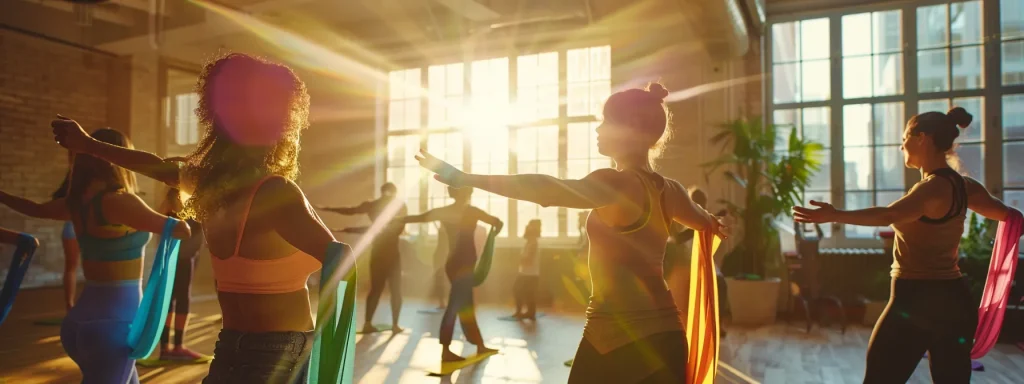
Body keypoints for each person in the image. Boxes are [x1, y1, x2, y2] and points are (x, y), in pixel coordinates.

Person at [51, 53, 351, 383]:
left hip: (244, 346)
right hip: (274, 349)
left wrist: (87, 144)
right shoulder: (274, 192)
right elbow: (341, 259)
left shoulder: (209, 185)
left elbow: (154, 165)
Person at [415, 83, 728, 383]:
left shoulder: (618, 183)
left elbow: (547, 188)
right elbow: (706, 222)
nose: (597, 129)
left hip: (618, 340)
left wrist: (465, 177)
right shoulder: (670, 190)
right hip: (668, 337)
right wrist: (714, 223)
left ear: (631, 127)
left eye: (606, 121)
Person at [794, 107, 1019, 383]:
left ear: (922, 138)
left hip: (915, 301)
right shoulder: (964, 186)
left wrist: (834, 215)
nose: (901, 146)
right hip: (955, 301)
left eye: (904, 139)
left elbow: (888, 215)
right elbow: (1010, 216)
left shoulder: (930, 189)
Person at [1, 128, 191, 384]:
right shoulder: (120, 201)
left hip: (79, 323)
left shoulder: (77, 203)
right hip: (113, 328)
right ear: (117, 158)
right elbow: (182, 229)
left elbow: (35, 209)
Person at [401, 186, 503, 362]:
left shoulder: (444, 212)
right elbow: (497, 222)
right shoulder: (472, 211)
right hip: (464, 266)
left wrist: (396, 219)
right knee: (455, 306)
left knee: (466, 305)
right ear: (467, 194)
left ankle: (479, 345)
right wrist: (493, 235)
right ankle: (446, 350)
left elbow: (419, 218)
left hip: (454, 264)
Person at [320, 182, 408, 334]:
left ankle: (370, 323)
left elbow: (351, 212)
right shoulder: (398, 206)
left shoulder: (377, 205)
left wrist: (327, 210)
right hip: (391, 254)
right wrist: (327, 210)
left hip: (379, 253)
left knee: (377, 288)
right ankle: (393, 325)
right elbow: (352, 213)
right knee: (394, 290)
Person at [158, 186, 206, 360]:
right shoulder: (183, 202)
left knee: (170, 300)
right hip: (182, 257)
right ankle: (176, 346)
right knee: (180, 299)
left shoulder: (173, 202)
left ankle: (166, 347)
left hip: (177, 256)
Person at [52, 172, 81, 312]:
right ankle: (69, 304)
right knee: (71, 266)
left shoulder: (73, 177)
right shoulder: (74, 177)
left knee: (71, 266)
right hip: (76, 226)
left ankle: (70, 305)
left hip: (74, 226)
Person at [512, 219, 541, 320]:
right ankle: (521, 311)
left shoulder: (533, 243)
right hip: (524, 273)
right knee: (519, 290)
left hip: (530, 274)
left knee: (529, 293)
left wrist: (521, 260)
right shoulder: (529, 242)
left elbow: (529, 260)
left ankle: (530, 313)